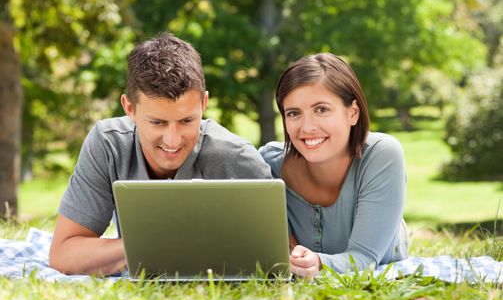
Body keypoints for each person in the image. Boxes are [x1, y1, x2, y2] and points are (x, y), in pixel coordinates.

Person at [49, 32, 272, 276]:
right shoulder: (108, 144)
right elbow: (64, 253)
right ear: (129, 108)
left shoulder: (237, 157)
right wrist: (158, 247)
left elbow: (276, 258)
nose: (173, 140)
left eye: (187, 120)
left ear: (204, 104)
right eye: (157, 122)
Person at [260, 53, 408, 279]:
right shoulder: (267, 165)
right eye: (294, 113)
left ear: (353, 113)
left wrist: (318, 263)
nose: (307, 128)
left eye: (321, 109)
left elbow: (364, 258)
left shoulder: (382, 154)